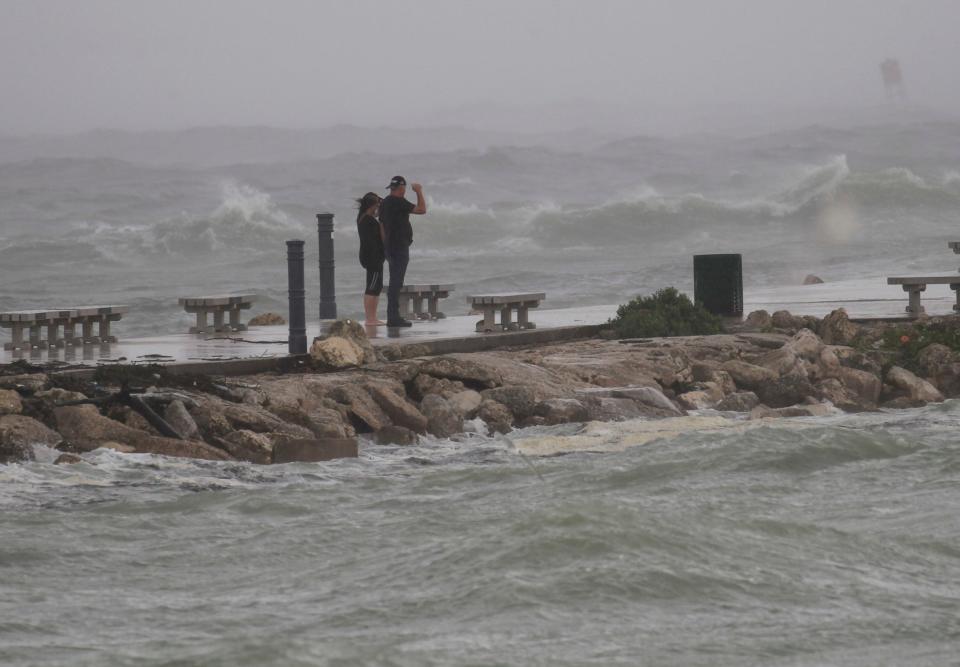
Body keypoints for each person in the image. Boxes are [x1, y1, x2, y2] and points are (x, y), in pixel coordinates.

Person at [379, 175, 426, 327]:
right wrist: (418, 191)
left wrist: (384, 245)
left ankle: (392, 315)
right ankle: (393, 317)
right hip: (399, 247)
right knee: (396, 282)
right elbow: (422, 210)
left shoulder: (385, 202)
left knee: (394, 281)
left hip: (389, 247)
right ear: (402, 188)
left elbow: (381, 225)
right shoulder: (398, 202)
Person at [355, 192, 385, 325]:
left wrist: (378, 208)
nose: (378, 207)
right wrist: (382, 220)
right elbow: (383, 237)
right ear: (372, 205)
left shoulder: (362, 217)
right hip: (373, 257)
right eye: (377, 204)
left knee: (376, 286)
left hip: (368, 255)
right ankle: (370, 319)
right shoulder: (371, 221)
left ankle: (372, 317)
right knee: (372, 287)